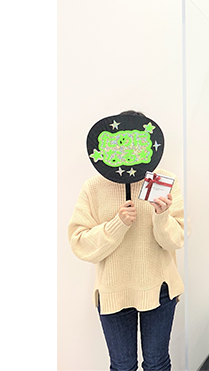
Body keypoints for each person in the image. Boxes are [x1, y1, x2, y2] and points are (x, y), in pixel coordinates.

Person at [68, 110, 184, 371]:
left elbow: (176, 240)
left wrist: (161, 217)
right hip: (113, 289)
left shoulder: (163, 182)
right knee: (122, 366)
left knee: (157, 363)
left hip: (159, 287)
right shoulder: (93, 187)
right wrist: (117, 223)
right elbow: (79, 243)